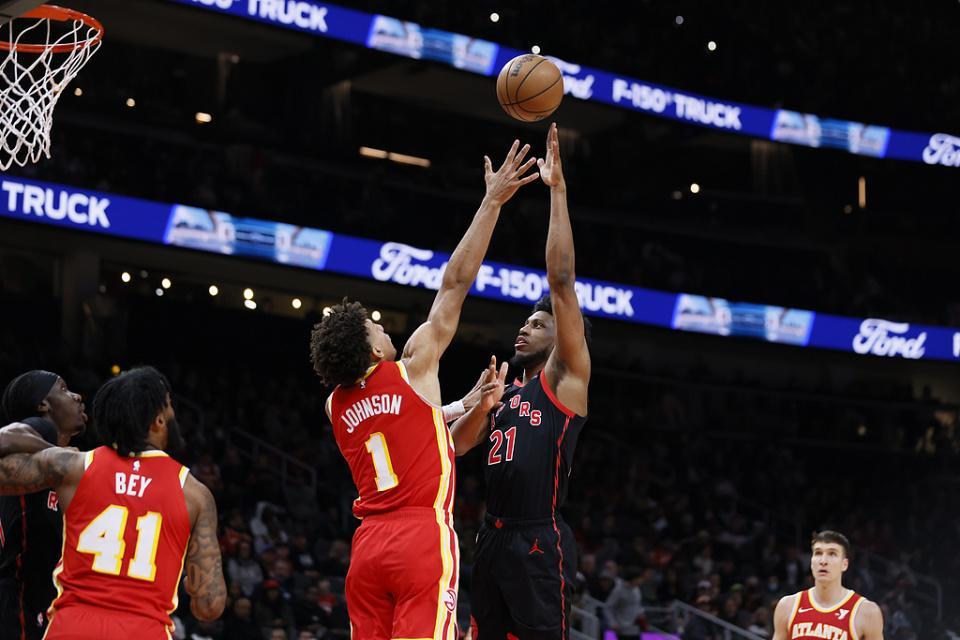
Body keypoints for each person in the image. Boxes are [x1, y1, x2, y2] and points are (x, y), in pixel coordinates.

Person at [310, 139, 538, 639]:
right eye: (374, 328)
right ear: (373, 352)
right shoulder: (413, 366)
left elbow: (420, 439)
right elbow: (455, 283)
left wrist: (465, 407)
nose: (382, 326)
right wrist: (491, 202)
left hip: (367, 548)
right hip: (419, 535)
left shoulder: (334, 404)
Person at [451, 123, 591, 639]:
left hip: (537, 537)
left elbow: (561, 281)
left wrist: (557, 191)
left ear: (562, 337)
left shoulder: (565, 380)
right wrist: (481, 408)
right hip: (491, 535)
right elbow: (457, 446)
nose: (524, 328)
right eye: (525, 322)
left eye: (538, 324)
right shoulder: (504, 391)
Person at [0, 366, 226, 638]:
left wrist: (55, 457)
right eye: (169, 407)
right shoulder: (196, 495)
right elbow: (209, 606)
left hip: (71, 626)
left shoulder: (73, 467)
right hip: (143, 630)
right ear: (158, 420)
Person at [0, 370, 86, 640]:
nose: (77, 396)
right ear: (42, 405)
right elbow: (2, 437)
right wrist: (58, 454)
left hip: (39, 597)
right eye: (63, 389)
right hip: (15, 597)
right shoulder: (41, 429)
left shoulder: (65, 467)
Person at [772, 531, 884, 640]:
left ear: (844, 564)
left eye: (832, 554)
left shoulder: (867, 612)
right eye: (818, 553)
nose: (823, 561)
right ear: (811, 562)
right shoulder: (787, 606)